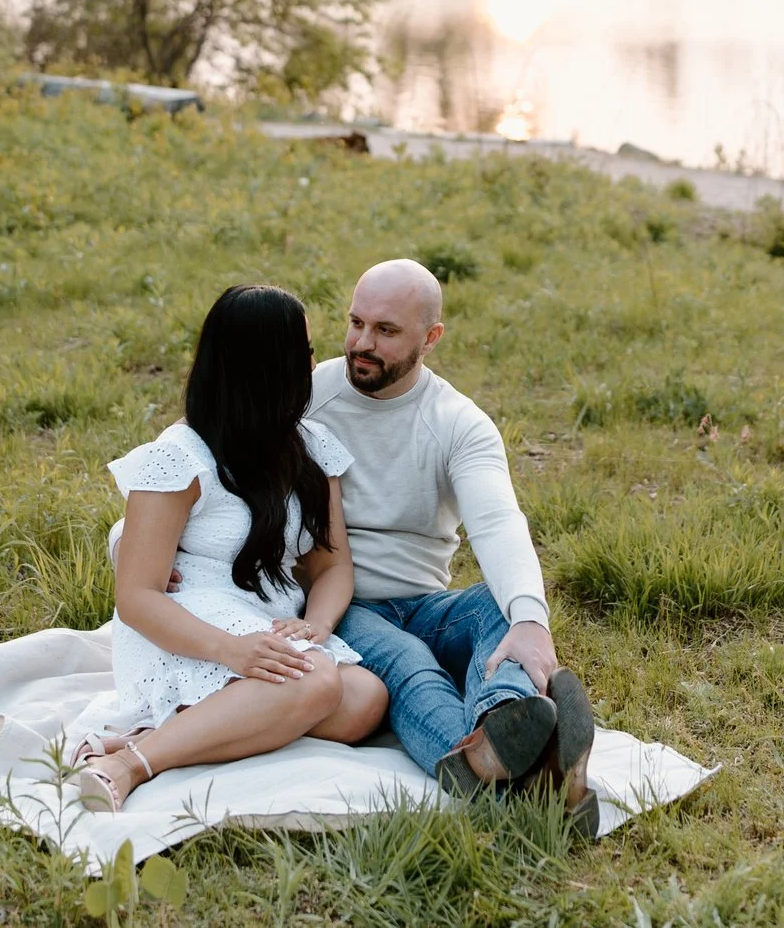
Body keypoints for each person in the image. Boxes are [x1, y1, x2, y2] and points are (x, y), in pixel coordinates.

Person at [309, 258, 600, 837]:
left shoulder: (458, 422)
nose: (362, 344)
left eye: (386, 331)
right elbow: (209, 460)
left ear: (430, 338)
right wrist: (133, 543)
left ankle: (503, 725)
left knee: (501, 608)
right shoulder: (309, 393)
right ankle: (531, 777)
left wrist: (531, 619)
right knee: (410, 666)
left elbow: (496, 521)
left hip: (425, 603)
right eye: (356, 322)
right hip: (342, 605)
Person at [72, 284, 389, 811]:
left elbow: (332, 567)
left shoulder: (310, 449)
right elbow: (137, 597)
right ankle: (129, 764)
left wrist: (319, 623)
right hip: (188, 621)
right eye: (305, 353)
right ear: (270, 367)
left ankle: (166, 731)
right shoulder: (179, 456)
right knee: (314, 684)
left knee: (363, 701)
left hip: (266, 617)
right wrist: (232, 651)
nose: (315, 363)